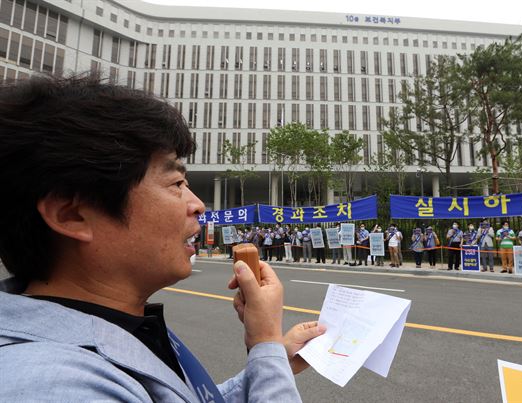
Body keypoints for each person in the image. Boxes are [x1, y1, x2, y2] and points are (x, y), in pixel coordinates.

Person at [0, 75, 324, 402]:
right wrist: (266, 343)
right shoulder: (53, 387)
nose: (197, 205)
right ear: (72, 215)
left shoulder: (109, 327)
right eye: (176, 183)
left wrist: (270, 361)